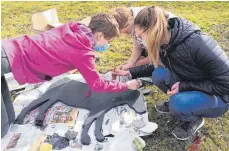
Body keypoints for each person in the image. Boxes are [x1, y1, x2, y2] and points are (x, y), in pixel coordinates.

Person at [1, 13, 140, 138]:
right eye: (108, 42)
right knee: (3, 129)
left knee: (10, 118)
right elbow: (97, 84)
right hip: (5, 58)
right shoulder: (82, 53)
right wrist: (126, 85)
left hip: (8, 49)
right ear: (99, 35)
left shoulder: (75, 28)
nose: (107, 45)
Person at [113, 6, 229, 140]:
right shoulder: (163, 41)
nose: (140, 41)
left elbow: (226, 84)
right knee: (159, 74)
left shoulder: (199, 43)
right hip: (191, 79)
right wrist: (130, 73)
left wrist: (183, 86)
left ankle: (193, 119)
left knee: (178, 103)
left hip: (220, 97)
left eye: (140, 37)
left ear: (151, 31)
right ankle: (185, 103)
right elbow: (155, 65)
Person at [110, 6, 175, 70]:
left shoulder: (146, 21)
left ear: (130, 20)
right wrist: (130, 62)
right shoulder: (133, 22)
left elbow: (157, 55)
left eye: (125, 31)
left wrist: (136, 64)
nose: (125, 34)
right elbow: (137, 45)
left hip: (172, 53)